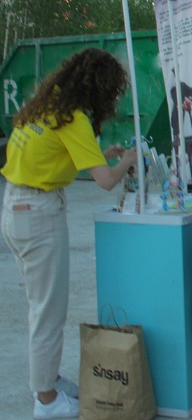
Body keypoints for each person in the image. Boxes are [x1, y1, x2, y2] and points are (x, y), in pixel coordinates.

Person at [1, 48, 137, 420]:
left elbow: (55, 157)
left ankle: (48, 381)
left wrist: (100, 152)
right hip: (39, 214)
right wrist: (127, 159)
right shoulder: (74, 119)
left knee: (39, 306)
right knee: (48, 311)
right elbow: (107, 182)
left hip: (16, 206)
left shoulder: (46, 108)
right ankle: (46, 400)